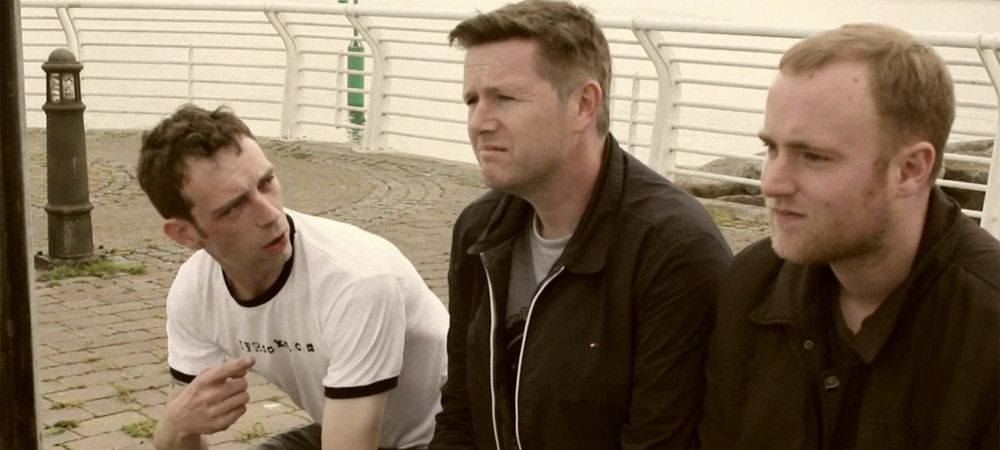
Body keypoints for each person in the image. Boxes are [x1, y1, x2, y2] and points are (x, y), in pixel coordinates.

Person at [431, 1, 732, 448]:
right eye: (472, 100)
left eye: (505, 98)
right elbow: (461, 411)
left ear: (583, 105)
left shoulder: (673, 250)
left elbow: (660, 440)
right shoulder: (480, 230)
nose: (479, 123)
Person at [699, 23, 1000, 449]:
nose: (771, 182)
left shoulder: (988, 330)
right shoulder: (751, 285)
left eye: (813, 156)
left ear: (910, 170)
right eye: (771, 148)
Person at [137, 104, 449, 450]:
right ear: (185, 234)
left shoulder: (358, 280)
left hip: (442, 438)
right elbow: (180, 433)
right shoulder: (195, 290)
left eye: (266, 182)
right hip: (346, 425)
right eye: (235, 206)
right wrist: (176, 426)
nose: (271, 214)